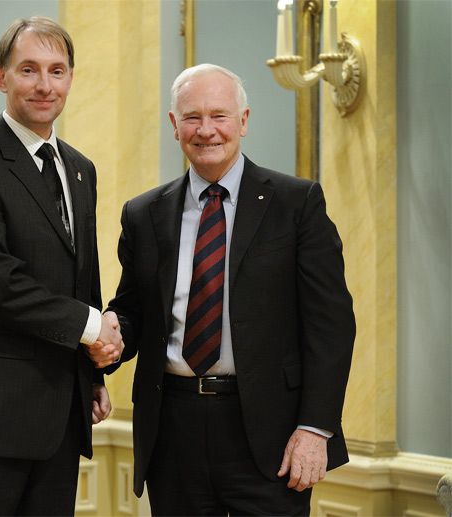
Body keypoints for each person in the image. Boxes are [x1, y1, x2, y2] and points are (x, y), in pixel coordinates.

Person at [105, 64, 355, 516]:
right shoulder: (144, 213)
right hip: (172, 428)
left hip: (271, 434)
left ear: (243, 120)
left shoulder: (296, 203)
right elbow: (132, 313)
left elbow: (331, 325)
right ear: (174, 124)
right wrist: (107, 333)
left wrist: (316, 429)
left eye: (219, 116)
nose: (206, 131)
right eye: (192, 117)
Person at [0, 16, 123, 516]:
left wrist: (91, 376)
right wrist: (96, 327)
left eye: (57, 71)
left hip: (59, 417)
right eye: (28, 69)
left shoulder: (80, 169)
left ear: (71, 79)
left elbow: (81, 279)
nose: (44, 84)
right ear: (1, 77)